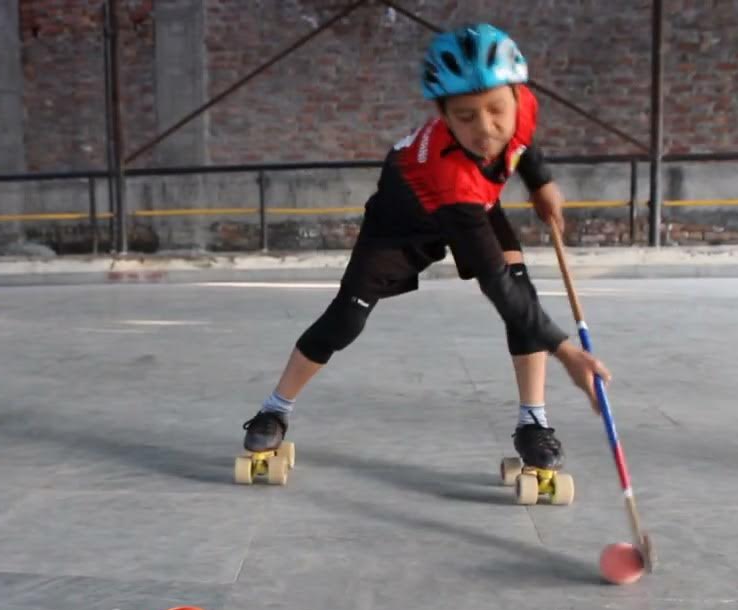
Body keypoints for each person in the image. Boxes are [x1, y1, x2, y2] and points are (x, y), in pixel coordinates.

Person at [241, 24, 610, 475]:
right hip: (402, 225)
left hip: (475, 204)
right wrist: (567, 353)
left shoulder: (521, 105)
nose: (486, 129)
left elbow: (522, 140)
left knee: (523, 287)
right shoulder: (451, 173)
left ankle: (533, 421)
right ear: (443, 114)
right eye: (466, 116)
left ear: (517, 95)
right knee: (346, 319)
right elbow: (495, 287)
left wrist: (541, 182)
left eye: (496, 109)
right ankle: (274, 409)